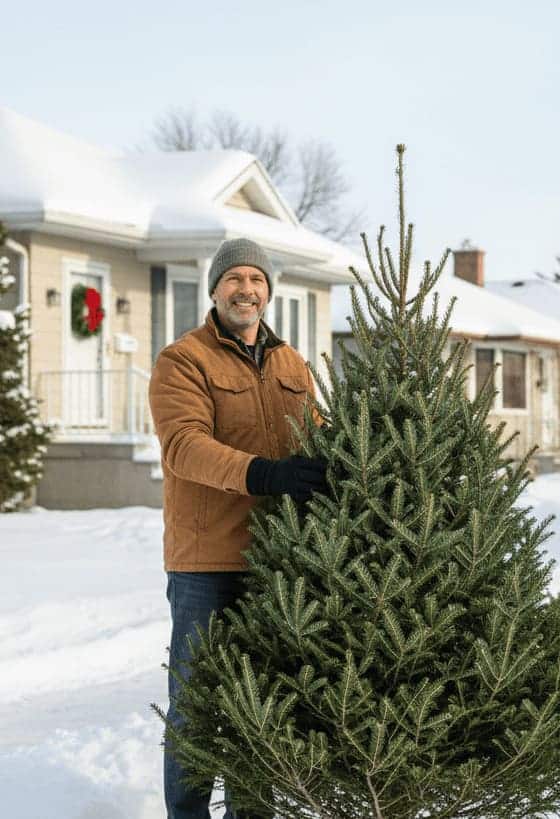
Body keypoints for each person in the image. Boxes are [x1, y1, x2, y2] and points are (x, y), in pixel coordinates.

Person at [149, 237, 329, 818]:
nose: (245, 290)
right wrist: (264, 473)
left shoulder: (291, 362)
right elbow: (184, 447)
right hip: (207, 561)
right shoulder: (184, 360)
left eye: (256, 280)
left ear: (268, 291)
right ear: (216, 289)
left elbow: (320, 435)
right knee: (197, 704)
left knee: (263, 704)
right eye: (234, 280)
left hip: (279, 560)